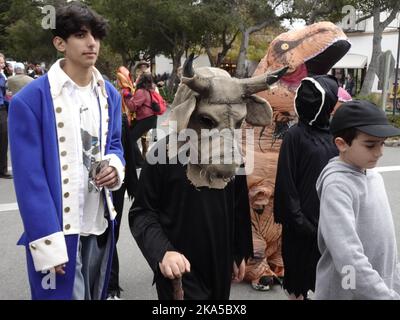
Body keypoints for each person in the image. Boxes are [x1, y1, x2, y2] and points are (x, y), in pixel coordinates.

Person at [8, 1, 125, 300]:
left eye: (96, 36)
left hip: (99, 224)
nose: (91, 43)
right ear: (59, 42)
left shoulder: (109, 93)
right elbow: (29, 179)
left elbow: (114, 144)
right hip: (59, 230)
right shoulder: (30, 101)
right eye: (81, 35)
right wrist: (46, 240)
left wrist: (114, 165)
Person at [315, 100, 400, 300]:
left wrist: (393, 285)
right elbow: (346, 256)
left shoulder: (373, 175)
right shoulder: (337, 185)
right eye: (370, 145)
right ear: (341, 144)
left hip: (380, 288)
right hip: (346, 291)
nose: (379, 152)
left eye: (382, 143)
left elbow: (387, 245)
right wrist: (382, 296)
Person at [273, 75, 339, 299]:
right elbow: (286, 183)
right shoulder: (295, 135)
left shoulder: (335, 135)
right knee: (298, 283)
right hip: (302, 228)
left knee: (326, 281)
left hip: (330, 224)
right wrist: (301, 222)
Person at [122, 72, 159, 168]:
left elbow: (132, 107)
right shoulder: (150, 89)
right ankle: (138, 161)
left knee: (130, 138)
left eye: (138, 77)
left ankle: (139, 162)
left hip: (146, 119)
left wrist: (126, 96)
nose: (136, 78)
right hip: (150, 118)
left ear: (141, 80)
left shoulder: (141, 91)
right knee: (129, 137)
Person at [0, 53, 12, 179]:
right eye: (0, 63)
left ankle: (3, 170)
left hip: (2, 109)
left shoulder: (3, 76)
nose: (2, 65)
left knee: (3, 140)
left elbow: (5, 95)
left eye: (3, 63)